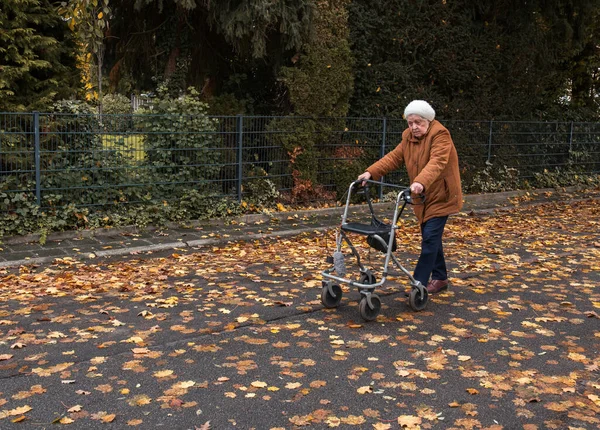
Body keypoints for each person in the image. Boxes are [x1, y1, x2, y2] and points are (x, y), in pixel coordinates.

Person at [357, 100, 463, 294]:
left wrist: (420, 181)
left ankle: (419, 284)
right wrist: (371, 173)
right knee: (431, 237)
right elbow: (394, 157)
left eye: (418, 122)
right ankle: (440, 278)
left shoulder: (441, 135)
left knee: (430, 237)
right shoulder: (408, 137)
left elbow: (437, 162)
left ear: (428, 121)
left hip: (441, 195)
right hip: (421, 196)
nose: (414, 127)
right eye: (410, 122)